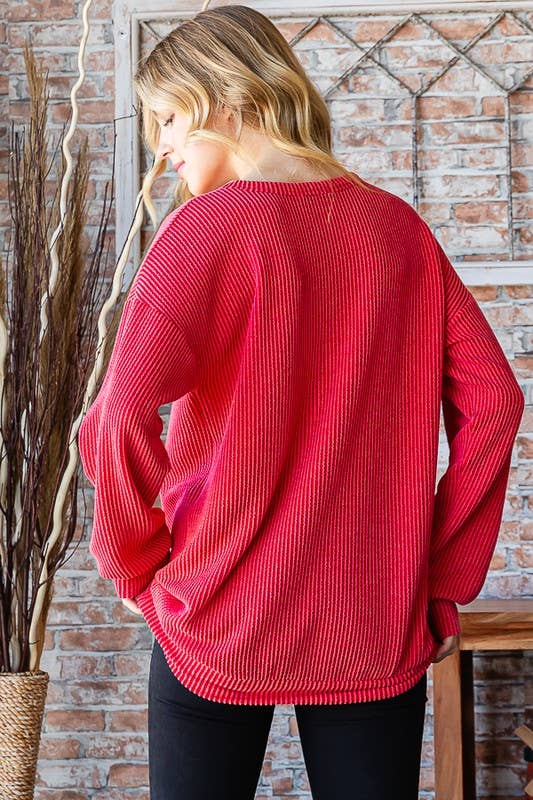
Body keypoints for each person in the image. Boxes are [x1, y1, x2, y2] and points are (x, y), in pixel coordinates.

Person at [77, 4, 525, 799]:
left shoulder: (202, 232)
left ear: (225, 99)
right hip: (371, 617)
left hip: (214, 612)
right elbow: (494, 401)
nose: (162, 147)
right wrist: (437, 581)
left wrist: (136, 565)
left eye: (169, 118)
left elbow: (116, 416)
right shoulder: (396, 230)